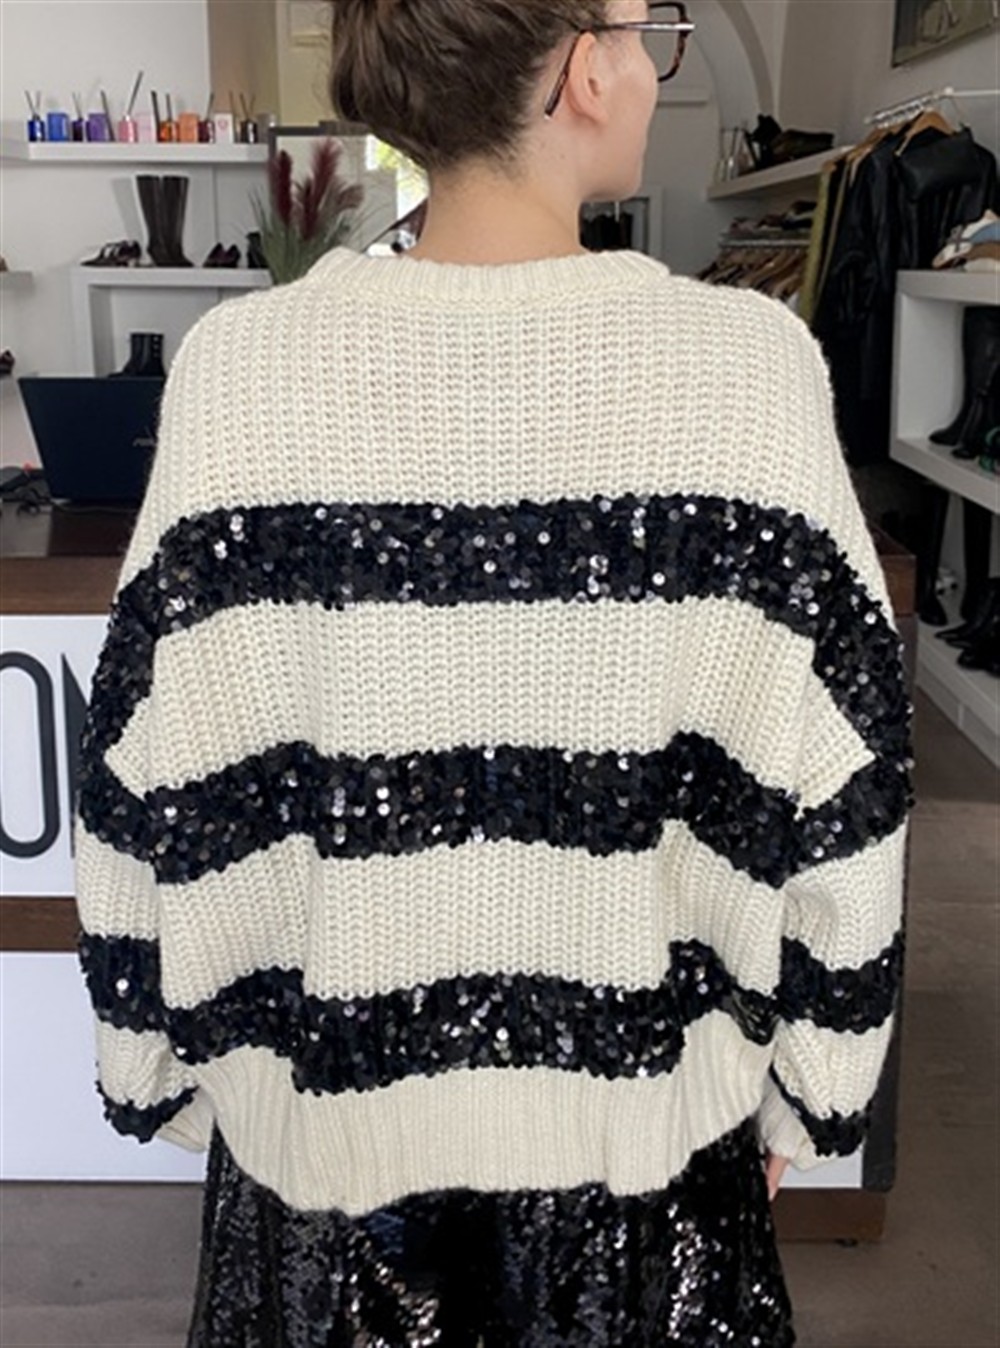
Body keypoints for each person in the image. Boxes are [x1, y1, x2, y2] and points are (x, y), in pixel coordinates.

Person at [74, 1, 911, 1343]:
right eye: (647, 31)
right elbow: (852, 780)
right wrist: (815, 1088)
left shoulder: (239, 370)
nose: (651, 68)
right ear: (583, 69)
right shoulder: (748, 373)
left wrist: (151, 1069)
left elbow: (132, 768)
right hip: (646, 1167)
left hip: (324, 1163)